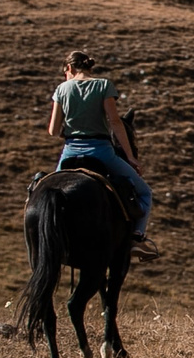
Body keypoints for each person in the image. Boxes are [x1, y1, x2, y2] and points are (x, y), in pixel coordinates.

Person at [48, 50, 157, 258]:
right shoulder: (103, 85)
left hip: (70, 152)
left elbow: (53, 131)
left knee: (47, 191)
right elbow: (115, 122)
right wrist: (130, 157)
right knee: (145, 193)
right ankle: (136, 238)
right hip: (101, 152)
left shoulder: (62, 88)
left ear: (69, 68)